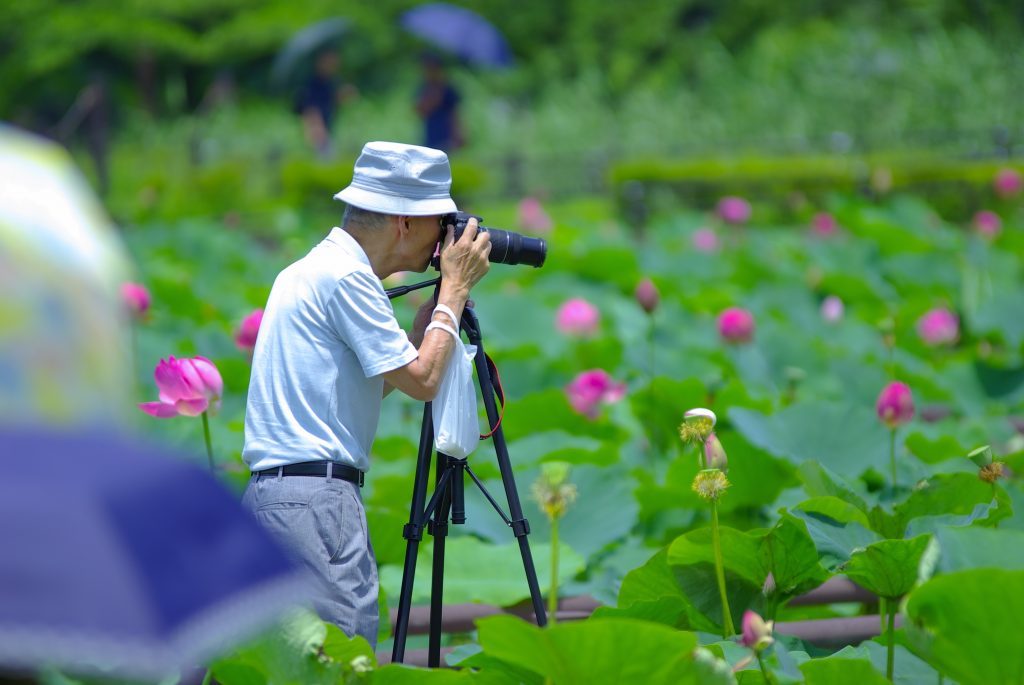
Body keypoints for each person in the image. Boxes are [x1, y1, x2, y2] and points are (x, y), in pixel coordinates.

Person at [240, 141, 491, 646]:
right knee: (343, 658)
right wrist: (454, 292)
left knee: (267, 665)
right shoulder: (349, 277)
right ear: (404, 222)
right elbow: (424, 384)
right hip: (319, 503)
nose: (443, 240)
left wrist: (425, 337)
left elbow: (354, 395)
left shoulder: (306, 270)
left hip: (271, 499)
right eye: (439, 222)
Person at [294, 48, 358, 157]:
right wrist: (317, 133)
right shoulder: (313, 84)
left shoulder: (330, 81)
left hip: (328, 129)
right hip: (319, 133)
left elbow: (330, 101)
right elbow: (310, 110)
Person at [415, 54, 463, 152]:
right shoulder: (424, 88)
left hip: (446, 136)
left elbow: (455, 113)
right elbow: (419, 110)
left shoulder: (447, 88)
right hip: (430, 136)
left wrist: (458, 134)